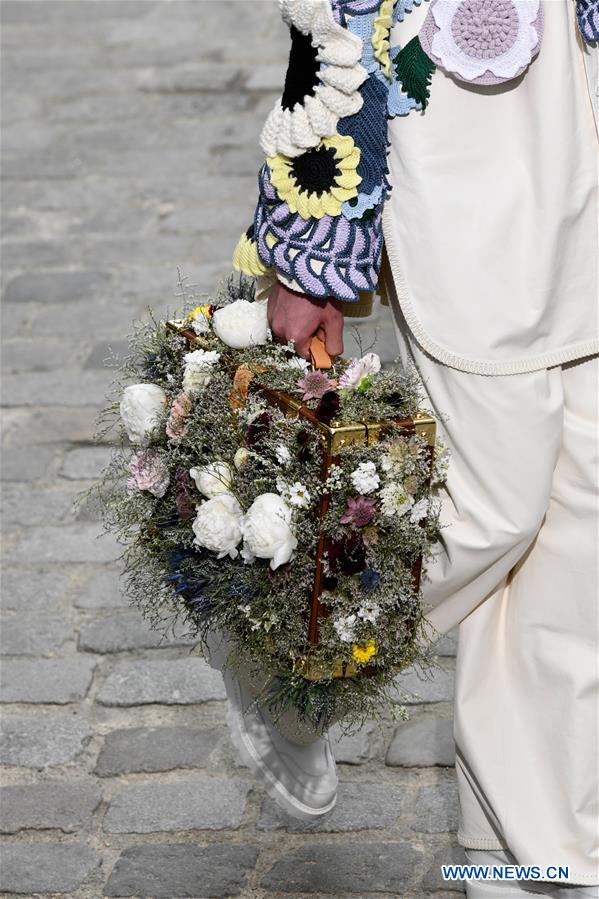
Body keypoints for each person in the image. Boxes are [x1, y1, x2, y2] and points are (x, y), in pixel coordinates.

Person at [215, 0, 599, 894]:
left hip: (583, 110)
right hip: (465, 145)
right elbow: (341, 23)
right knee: (496, 506)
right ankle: (286, 649)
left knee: (575, 535)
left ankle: (533, 861)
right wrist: (312, 250)